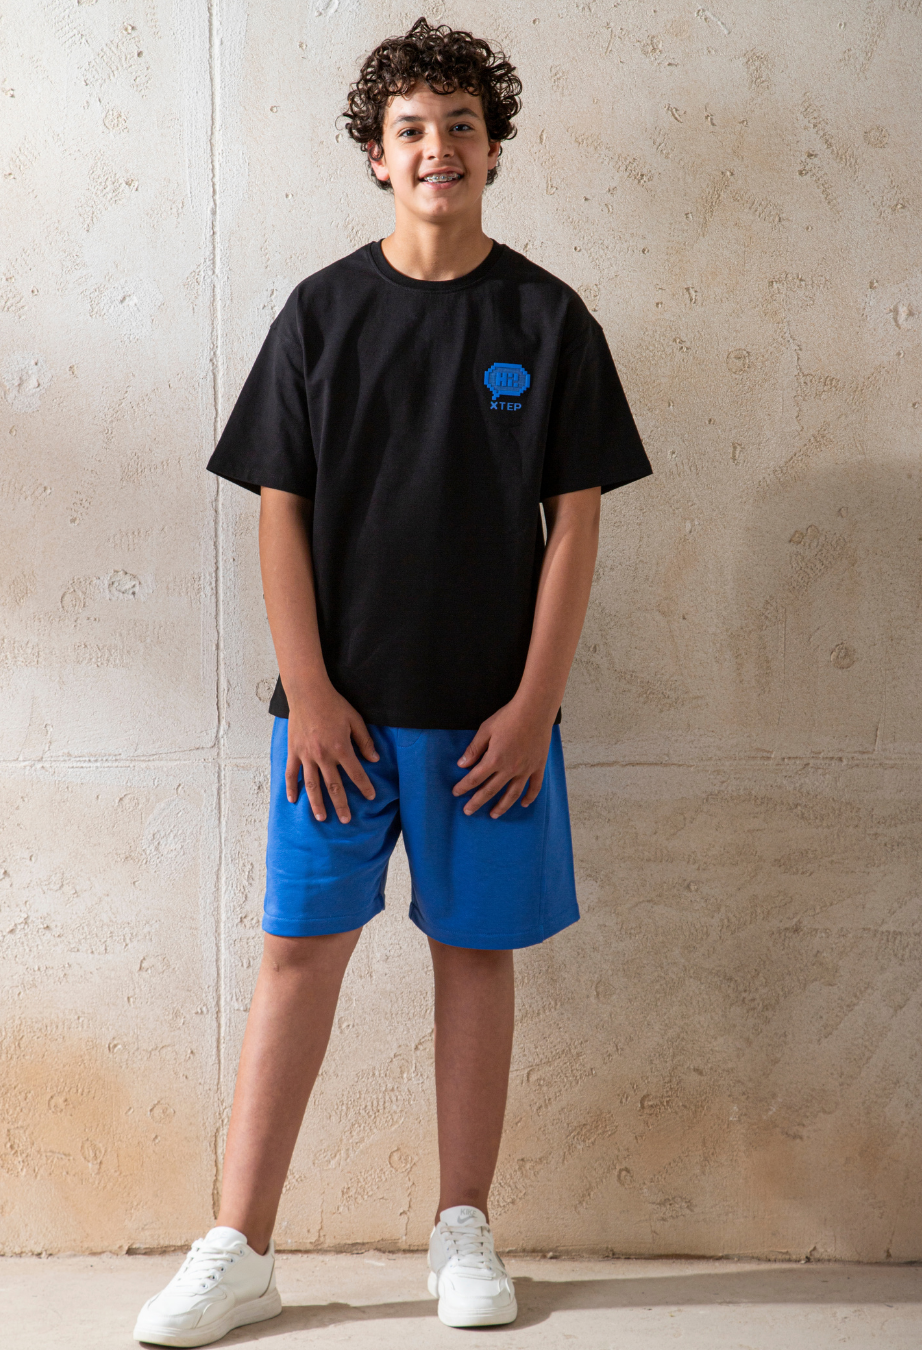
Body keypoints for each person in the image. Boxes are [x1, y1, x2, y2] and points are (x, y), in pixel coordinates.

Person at [134, 16, 651, 1346]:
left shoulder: (547, 320)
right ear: (376, 154)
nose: (438, 148)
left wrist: (533, 707)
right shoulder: (322, 314)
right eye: (411, 129)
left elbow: (576, 524)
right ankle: (240, 1245)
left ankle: (461, 1225)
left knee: (474, 955)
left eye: (461, 126)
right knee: (297, 953)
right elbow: (280, 510)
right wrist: (307, 690)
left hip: (491, 726)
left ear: (495, 148)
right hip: (336, 723)